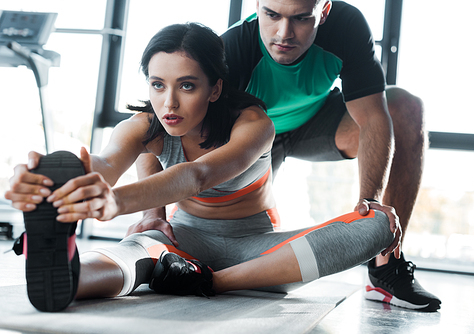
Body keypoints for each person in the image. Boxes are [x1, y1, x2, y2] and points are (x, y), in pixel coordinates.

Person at [5, 22, 399, 312]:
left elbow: (197, 175)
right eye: (158, 85)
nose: (169, 103)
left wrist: (110, 203)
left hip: (258, 251)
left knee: (379, 224)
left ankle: (210, 280)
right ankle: (71, 272)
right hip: (183, 239)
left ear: (215, 89)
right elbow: (106, 162)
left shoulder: (254, 124)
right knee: (135, 253)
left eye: (187, 86)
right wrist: (59, 186)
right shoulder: (145, 127)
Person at [134, 0, 441, 312]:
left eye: (301, 18)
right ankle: (206, 266)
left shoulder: (347, 27)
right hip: (252, 139)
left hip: (317, 125)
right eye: (271, 14)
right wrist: (153, 214)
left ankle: (386, 268)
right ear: (256, 6)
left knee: (404, 108)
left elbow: (374, 118)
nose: (284, 33)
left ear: (324, 11)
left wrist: (369, 206)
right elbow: (154, 129)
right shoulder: (233, 50)